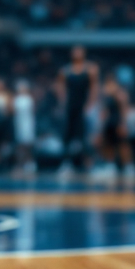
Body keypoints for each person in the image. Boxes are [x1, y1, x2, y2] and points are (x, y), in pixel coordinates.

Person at [57, 46, 98, 175]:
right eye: (75, 51)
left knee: (84, 136)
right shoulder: (65, 70)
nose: (77, 53)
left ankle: (89, 163)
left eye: (79, 51)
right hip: (71, 106)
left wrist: (90, 105)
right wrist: (63, 102)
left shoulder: (90, 69)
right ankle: (66, 163)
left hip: (83, 107)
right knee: (67, 136)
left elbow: (94, 88)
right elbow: (60, 87)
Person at [12, 78, 36, 174]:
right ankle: (20, 164)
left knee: (28, 145)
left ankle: (30, 163)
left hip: (28, 124)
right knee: (20, 146)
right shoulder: (16, 99)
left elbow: (32, 113)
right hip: (19, 124)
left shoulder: (29, 99)